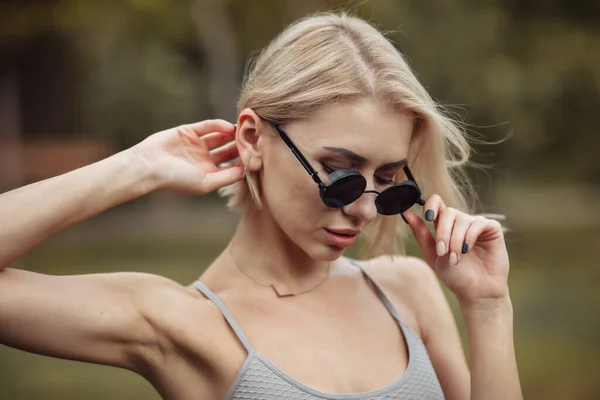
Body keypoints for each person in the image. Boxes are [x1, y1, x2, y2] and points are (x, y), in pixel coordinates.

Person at [0, 12, 522, 400]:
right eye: (340, 174)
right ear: (253, 139)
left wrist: (488, 308)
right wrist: (137, 168)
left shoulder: (406, 289)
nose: (364, 209)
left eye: (387, 181)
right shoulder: (179, 324)